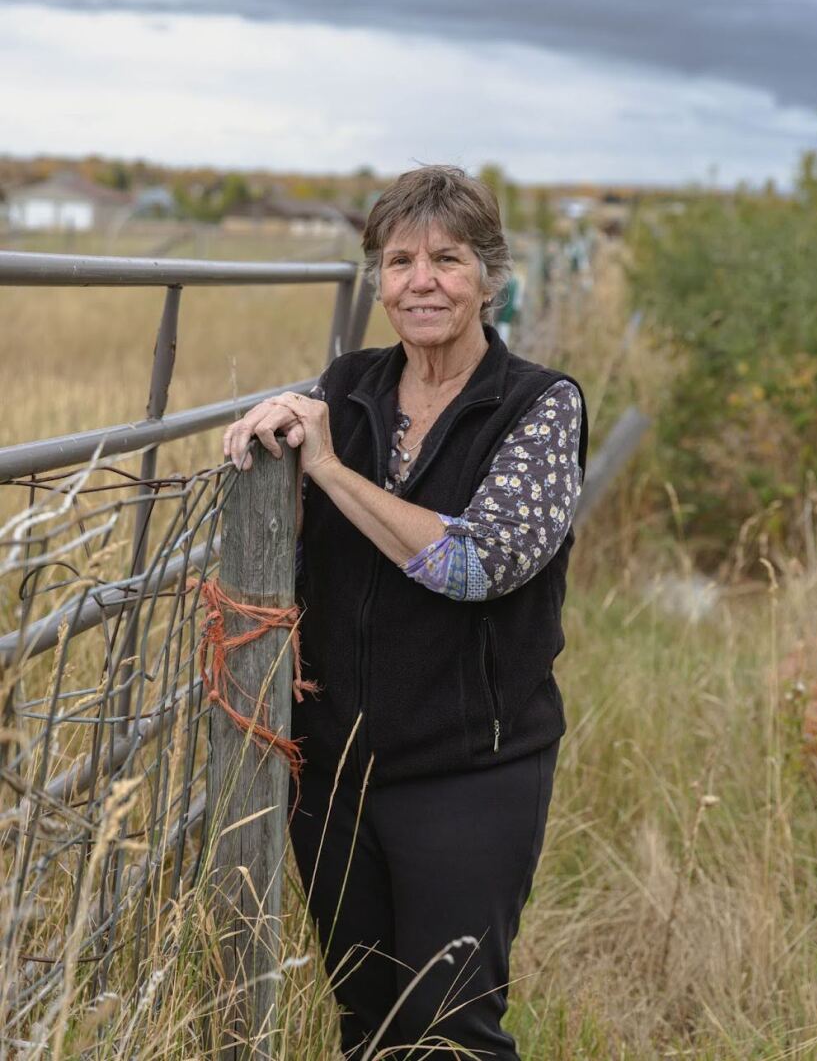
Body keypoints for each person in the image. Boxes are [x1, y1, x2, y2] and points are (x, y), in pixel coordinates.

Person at [223, 166, 588, 1060]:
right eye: (398, 262)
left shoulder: (539, 406)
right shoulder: (348, 383)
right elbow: (281, 474)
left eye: (447, 259)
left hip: (470, 771)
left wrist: (334, 474)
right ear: (377, 281)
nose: (420, 281)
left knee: (451, 1028)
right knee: (367, 1021)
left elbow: (477, 563)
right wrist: (271, 420)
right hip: (336, 767)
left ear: (488, 278)